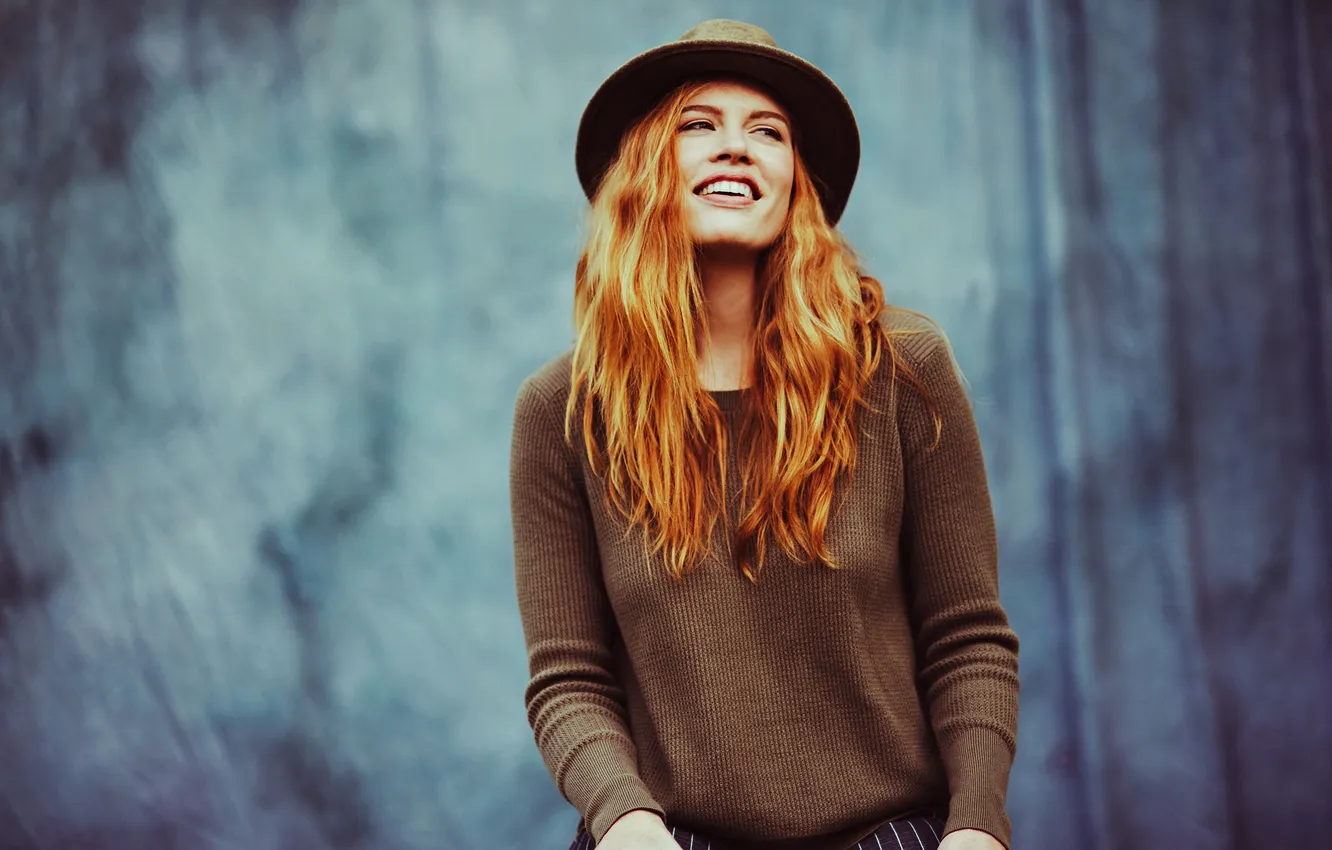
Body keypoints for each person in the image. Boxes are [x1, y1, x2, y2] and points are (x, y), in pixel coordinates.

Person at [509, 19, 1020, 850]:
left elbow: (968, 637)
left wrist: (976, 828)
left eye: (768, 133)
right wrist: (627, 823)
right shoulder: (561, 411)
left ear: (797, 184)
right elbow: (569, 678)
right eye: (698, 126)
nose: (736, 149)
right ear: (644, 171)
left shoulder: (903, 371)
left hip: (888, 835)